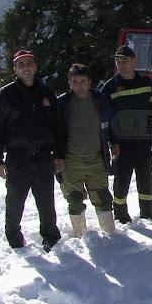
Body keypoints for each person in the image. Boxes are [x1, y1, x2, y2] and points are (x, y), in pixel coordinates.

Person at [0, 50, 65, 252]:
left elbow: (57, 127)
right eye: (21, 64)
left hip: (43, 156)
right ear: (15, 69)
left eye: (29, 63)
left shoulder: (46, 93)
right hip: (17, 157)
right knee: (14, 201)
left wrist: (60, 155)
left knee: (46, 202)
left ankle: (50, 236)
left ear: (35, 66)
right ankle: (14, 239)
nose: (25, 68)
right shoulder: (5, 96)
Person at [57, 63, 117, 237]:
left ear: (89, 82)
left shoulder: (100, 100)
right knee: (74, 201)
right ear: (69, 83)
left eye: (82, 81)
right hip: (71, 161)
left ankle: (111, 235)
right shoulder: (62, 103)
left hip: (96, 159)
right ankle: (80, 236)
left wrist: (115, 143)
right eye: (75, 82)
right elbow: (55, 132)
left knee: (103, 198)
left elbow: (111, 124)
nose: (79, 86)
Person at [100, 46, 152, 223]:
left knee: (146, 178)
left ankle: (147, 212)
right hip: (121, 143)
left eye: (125, 61)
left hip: (143, 141)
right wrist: (112, 142)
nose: (121, 65)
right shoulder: (109, 87)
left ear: (134, 61)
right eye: (118, 62)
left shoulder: (146, 83)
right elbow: (105, 119)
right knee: (122, 179)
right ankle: (120, 214)